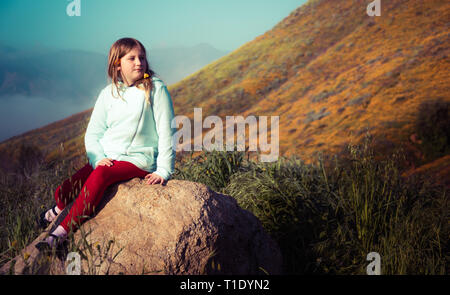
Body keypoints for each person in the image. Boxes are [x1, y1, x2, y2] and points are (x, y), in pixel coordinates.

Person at [36, 37, 176, 250]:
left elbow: (167, 130)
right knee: (63, 192)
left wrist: (164, 170)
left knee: (100, 176)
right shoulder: (108, 94)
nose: (139, 62)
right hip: (108, 158)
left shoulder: (155, 89)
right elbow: (93, 133)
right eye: (132, 58)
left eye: (142, 57)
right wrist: (97, 158)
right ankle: (56, 211)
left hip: (138, 158)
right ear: (117, 64)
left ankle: (57, 236)